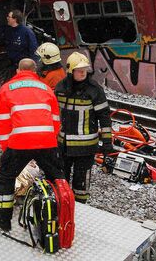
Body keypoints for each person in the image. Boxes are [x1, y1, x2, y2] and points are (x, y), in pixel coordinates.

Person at [0, 58, 64, 232]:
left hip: (19, 143)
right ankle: (59, 215)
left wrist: (6, 148)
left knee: (6, 178)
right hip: (46, 141)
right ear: (35, 71)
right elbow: (56, 121)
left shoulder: (6, 89)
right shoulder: (46, 89)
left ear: (18, 71)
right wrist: (47, 140)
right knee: (56, 177)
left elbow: (2, 123)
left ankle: (3, 219)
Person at [54, 52, 112, 203]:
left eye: (85, 70)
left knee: (81, 182)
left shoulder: (94, 90)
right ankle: (63, 205)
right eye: (79, 70)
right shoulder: (60, 88)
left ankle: (80, 206)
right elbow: (53, 115)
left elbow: (104, 117)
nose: (83, 73)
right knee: (61, 180)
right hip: (63, 146)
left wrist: (107, 142)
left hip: (85, 147)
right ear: (70, 71)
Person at [0, 9, 38, 75]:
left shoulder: (27, 32)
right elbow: (1, 41)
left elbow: (33, 48)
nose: (7, 18)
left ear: (15, 19)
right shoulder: (8, 31)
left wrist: (32, 65)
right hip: (12, 65)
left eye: (9, 17)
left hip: (24, 66)